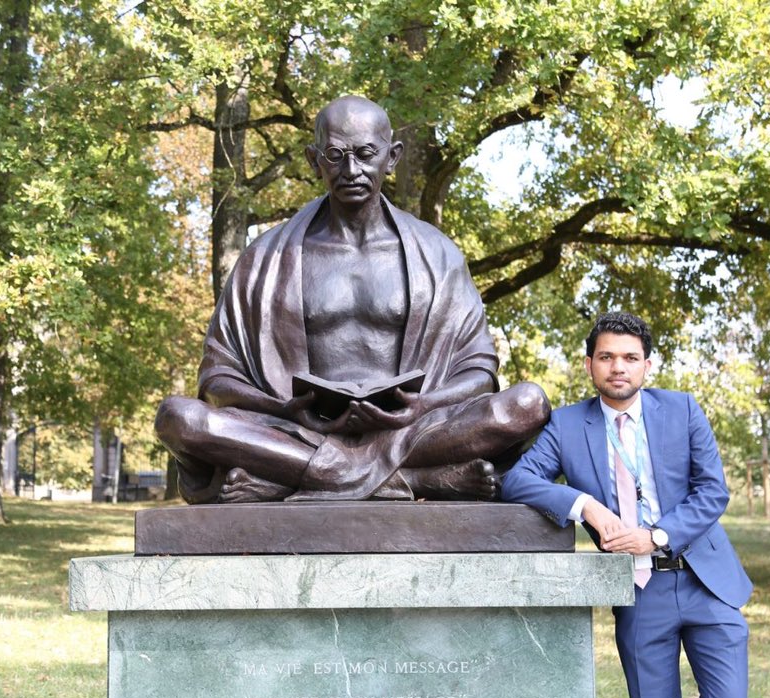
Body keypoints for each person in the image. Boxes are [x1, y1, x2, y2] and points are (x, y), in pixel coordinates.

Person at [156, 95, 549, 503]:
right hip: (297, 431)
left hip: (412, 428)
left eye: (365, 154)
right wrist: (285, 409)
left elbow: (479, 370)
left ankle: (299, 478)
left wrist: (422, 405)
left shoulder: (438, 254)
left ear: (392, 156)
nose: (351, 170)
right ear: (314, 160)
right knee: (178, 418)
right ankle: (416, 480)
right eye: (335, 155)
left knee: (527, 404)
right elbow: (218, 379)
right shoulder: (264, 259)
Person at [501, 311, 752, 698]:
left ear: (647, 365)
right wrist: (586, 507)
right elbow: (517, 480)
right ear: (590, 364)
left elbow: (712, 492)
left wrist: (656, 535)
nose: (619, 367)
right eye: (607, 357)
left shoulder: (682, 410)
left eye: (630, 358)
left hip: (705, 580)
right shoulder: (567, 425)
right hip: (637, 590)